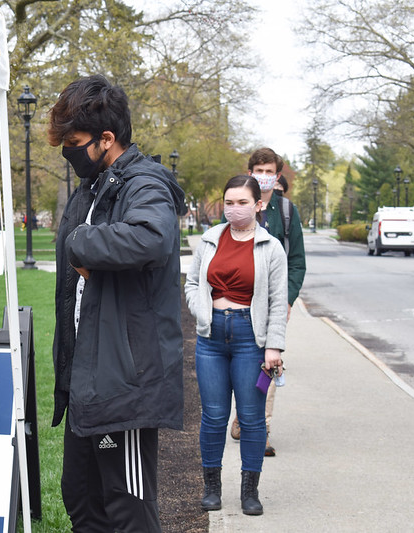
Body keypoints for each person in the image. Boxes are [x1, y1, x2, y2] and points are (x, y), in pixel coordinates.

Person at [49, 74, 186, 532]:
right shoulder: (93, 188)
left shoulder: (144, 183)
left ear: (107, 139)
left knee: (127, 510)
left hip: (123, 384)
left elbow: (152, 237)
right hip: (86, 379)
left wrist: (82, 243)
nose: (68, 152)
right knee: (82, 501)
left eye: (75, 141)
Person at [185, 175, 288, 515]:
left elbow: (277, 301)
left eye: (242, 202)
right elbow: (192, 283)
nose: (234, 208)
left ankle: (249, 491)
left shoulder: (271, 248)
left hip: (250, 339)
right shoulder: (210, 239)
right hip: (211, 338)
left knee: (251, 418)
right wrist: (203, 313)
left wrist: (273, 347)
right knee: (213, 417)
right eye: (229, 202)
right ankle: (211, 488)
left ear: (259, 204)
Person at [229, 148, 306, 456]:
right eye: (258, 169)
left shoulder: (286, 211)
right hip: (237, 302)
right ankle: (244, 416)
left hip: (273, 303)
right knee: (237, 362)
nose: (263, 175)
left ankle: (261, 430)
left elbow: (297, 261)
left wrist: (286, 300)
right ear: (250, 172)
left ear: (277, 175)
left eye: (269, 170)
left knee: (268, 363)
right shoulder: (239, 204)